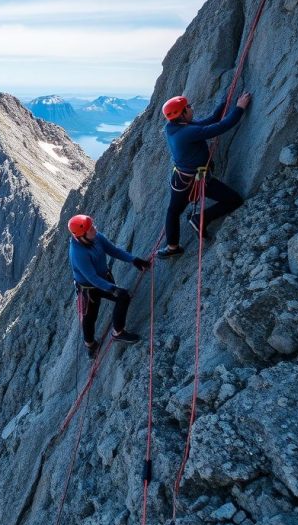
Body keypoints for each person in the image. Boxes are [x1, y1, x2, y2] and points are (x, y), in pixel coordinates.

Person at [156, 92, 251, 258]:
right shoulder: (186, 132)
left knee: (173, 211)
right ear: (182, 113)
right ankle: (201, 219)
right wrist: (239, 108)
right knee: (234, 200)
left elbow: (211, 120)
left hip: (182, 179)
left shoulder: (174, 127)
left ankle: (173, 248)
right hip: (195, 180)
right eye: (188, 107)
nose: (191, 108)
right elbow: (220, 127)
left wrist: (226, 100)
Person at [68, 214, 149, 354]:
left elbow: (114, 251)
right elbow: (92, 278)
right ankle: (90, 345)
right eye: (90, 228)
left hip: (103, 278)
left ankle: (118, 331)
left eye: (92, 226)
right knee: (90, 316)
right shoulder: (78, 253)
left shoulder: (96, 238)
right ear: (81, 236)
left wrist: (133, 260)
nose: (95, 228)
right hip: (89, 288)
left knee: (123, 297)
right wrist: (112, 288)